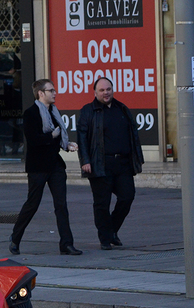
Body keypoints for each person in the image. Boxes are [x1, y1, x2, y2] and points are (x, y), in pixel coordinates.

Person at [9, 79, 82, 256]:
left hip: (55, 165)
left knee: (61, 205)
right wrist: (52, 136)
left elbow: (58, 137)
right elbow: (33, 140)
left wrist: (66, 144)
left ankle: (67, 244)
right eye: (51, 90)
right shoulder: (31, 113)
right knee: (32, 204)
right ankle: (15, 238)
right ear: (41, 93)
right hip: (38, 166)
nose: (54, 93)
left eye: (54, 90)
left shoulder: (54, 112)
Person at [77, 77, 144, 250]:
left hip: (123, 163)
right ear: (95, 92)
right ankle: (105, 239)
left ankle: (111, 230)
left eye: (108, 89)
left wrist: (136, 158)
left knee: (127, 197)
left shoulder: (121, 108)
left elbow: (133, 135)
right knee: (102, 203)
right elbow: (82, 138)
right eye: (102, 90)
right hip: (100, 164)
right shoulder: (88, 111)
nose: (106, 93)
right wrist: (85, 160)